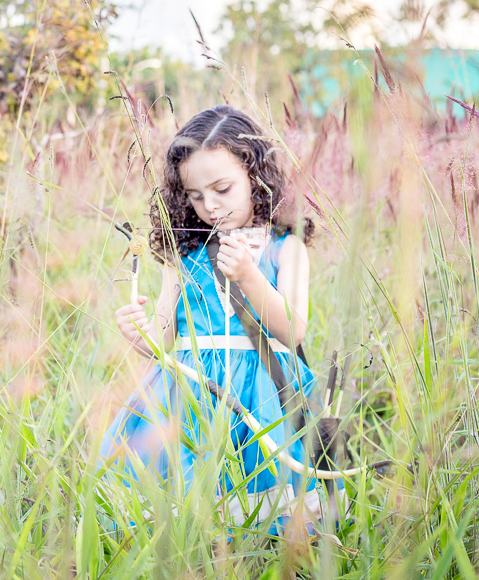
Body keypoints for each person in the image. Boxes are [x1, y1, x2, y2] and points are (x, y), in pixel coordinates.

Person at [100, 104, 330, 534]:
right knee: (184, 505)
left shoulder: (285, 247)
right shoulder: (183, 254)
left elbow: (293, 329)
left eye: (222, 189)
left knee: (266, 499)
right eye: (194, 195)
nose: (209, 206)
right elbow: (163, 340)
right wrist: (137, 332)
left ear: (255, 175)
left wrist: (249, 275)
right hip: (188, 390)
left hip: (261, 389)